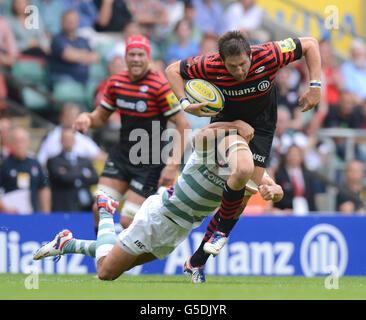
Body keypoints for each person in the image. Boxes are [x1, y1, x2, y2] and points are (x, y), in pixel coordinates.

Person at [33, 119, 281, 282]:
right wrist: (234, 124)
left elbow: (274, 187)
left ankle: (68, 243)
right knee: (106, 273)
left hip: (180, 228)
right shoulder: (212, 148)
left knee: (120, 263)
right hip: (161, 215)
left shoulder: (250, 170)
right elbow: (201, 135)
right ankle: (107, 211)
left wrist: (275, 192)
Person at [165, 30, 321, 278]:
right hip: (228, 123)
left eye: (242, 64)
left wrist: (315, 86)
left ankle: (197, 260)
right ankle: (222, 233)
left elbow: (311, 44)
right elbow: (173, 70)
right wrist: (185, 103)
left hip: (262, 127)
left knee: (243, 199)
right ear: (221, 61)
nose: (238, 71)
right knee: (243, 168)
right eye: (232, 67)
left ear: (251, 54)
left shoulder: (269, 54)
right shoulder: (209, 64)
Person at [73, 34, 191, 233]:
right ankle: (104, 257)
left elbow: (183, 124)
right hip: (121, 156)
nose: (136, 59)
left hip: (149, 163)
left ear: (148, 58)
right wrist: (87, 118)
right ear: (126, 57)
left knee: (128, 221)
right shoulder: (116, 83)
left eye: (141, 54)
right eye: (132, 54)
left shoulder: (159, 86)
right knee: (99, 209)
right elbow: (100, 117)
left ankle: (128, 259)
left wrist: (172, 165)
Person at [37, 103, 107, 168]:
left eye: (75, 116)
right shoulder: (52, 137)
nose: (72, 119)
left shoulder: (80, 136)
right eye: (69, 116)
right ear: (62, 117)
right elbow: (41, 162)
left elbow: (99, 155)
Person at [47, 128, 99, 212]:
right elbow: (64, 178)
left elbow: (95, 178)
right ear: (61, 141)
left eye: (70, 139)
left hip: (86, 205)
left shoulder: (84, 160)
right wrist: (83, 173)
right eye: (66, 139)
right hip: (64, 206)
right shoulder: (54, 161)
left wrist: (70, 172)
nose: (68, 142)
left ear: (75, 141)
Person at [0, 128, 51, 214]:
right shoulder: (4, 165)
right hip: (12, 215)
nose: (19, 145)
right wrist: (5, 209)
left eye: (22, 141)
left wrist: (46, 213)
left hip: (32, 214)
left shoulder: (35, 164)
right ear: (11, 144)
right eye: (16, 141)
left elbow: (44, 187)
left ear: (28, 143)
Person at [49, 9, 100, 86]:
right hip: (63, 78)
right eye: (69, 20)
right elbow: (69, 56)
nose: (71, 23)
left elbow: (96, 57)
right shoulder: (57, 39)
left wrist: (75, 53)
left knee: (99, 86)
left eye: (74, 20)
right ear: (62, 22)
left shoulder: (83, 40)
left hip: (84, 79)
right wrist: (85, 54)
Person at [273, 144, 317, 214]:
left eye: (296, 154)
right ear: (286, 156)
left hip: (306, 211)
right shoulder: (279, 174)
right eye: (291, 154)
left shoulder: (308, 175)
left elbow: (311, 198)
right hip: (287, 212)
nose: (294, 157)